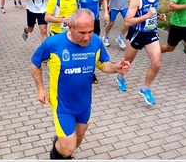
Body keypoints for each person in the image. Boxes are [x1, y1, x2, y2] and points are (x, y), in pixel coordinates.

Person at [30, 9, 130, 160]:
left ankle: (63, 147)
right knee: (68, 149)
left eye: (90, 31)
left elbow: (103, 64)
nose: (87, 37)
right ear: (70, 27)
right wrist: (40, 89)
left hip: (84, 103)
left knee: (79, 136)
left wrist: (116, 68)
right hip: (62, 105)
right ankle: (56, 154)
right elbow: (35, 63)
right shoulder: (53, 43)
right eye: (82, 33)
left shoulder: (96, 41)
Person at [115, 0, 167, 101]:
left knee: (157, 63)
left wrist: (159, 16)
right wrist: (147, 16)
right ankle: (120, 77)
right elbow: (128, 21)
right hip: (136, 33)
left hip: (151, 33)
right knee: (128, 61)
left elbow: (152, 11)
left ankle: (145, 89)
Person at [73, 0, 110, 84]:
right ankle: (79, 68)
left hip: (95, 21)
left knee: (92, 45)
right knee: (80, 45)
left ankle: (91, 71)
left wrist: (106, 12)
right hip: (82, 24)